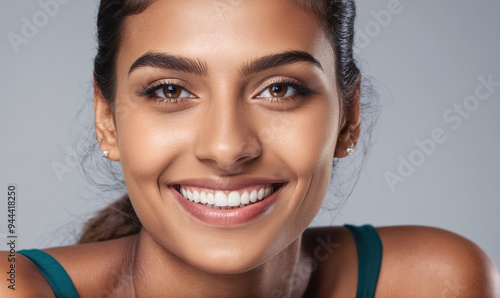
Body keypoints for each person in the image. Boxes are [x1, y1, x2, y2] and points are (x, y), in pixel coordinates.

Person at [2, 0, 499, 296]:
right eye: (170, 90)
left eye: (279, 89)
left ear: (349, 116)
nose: (225, 148)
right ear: (106, 119)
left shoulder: (434, 282)